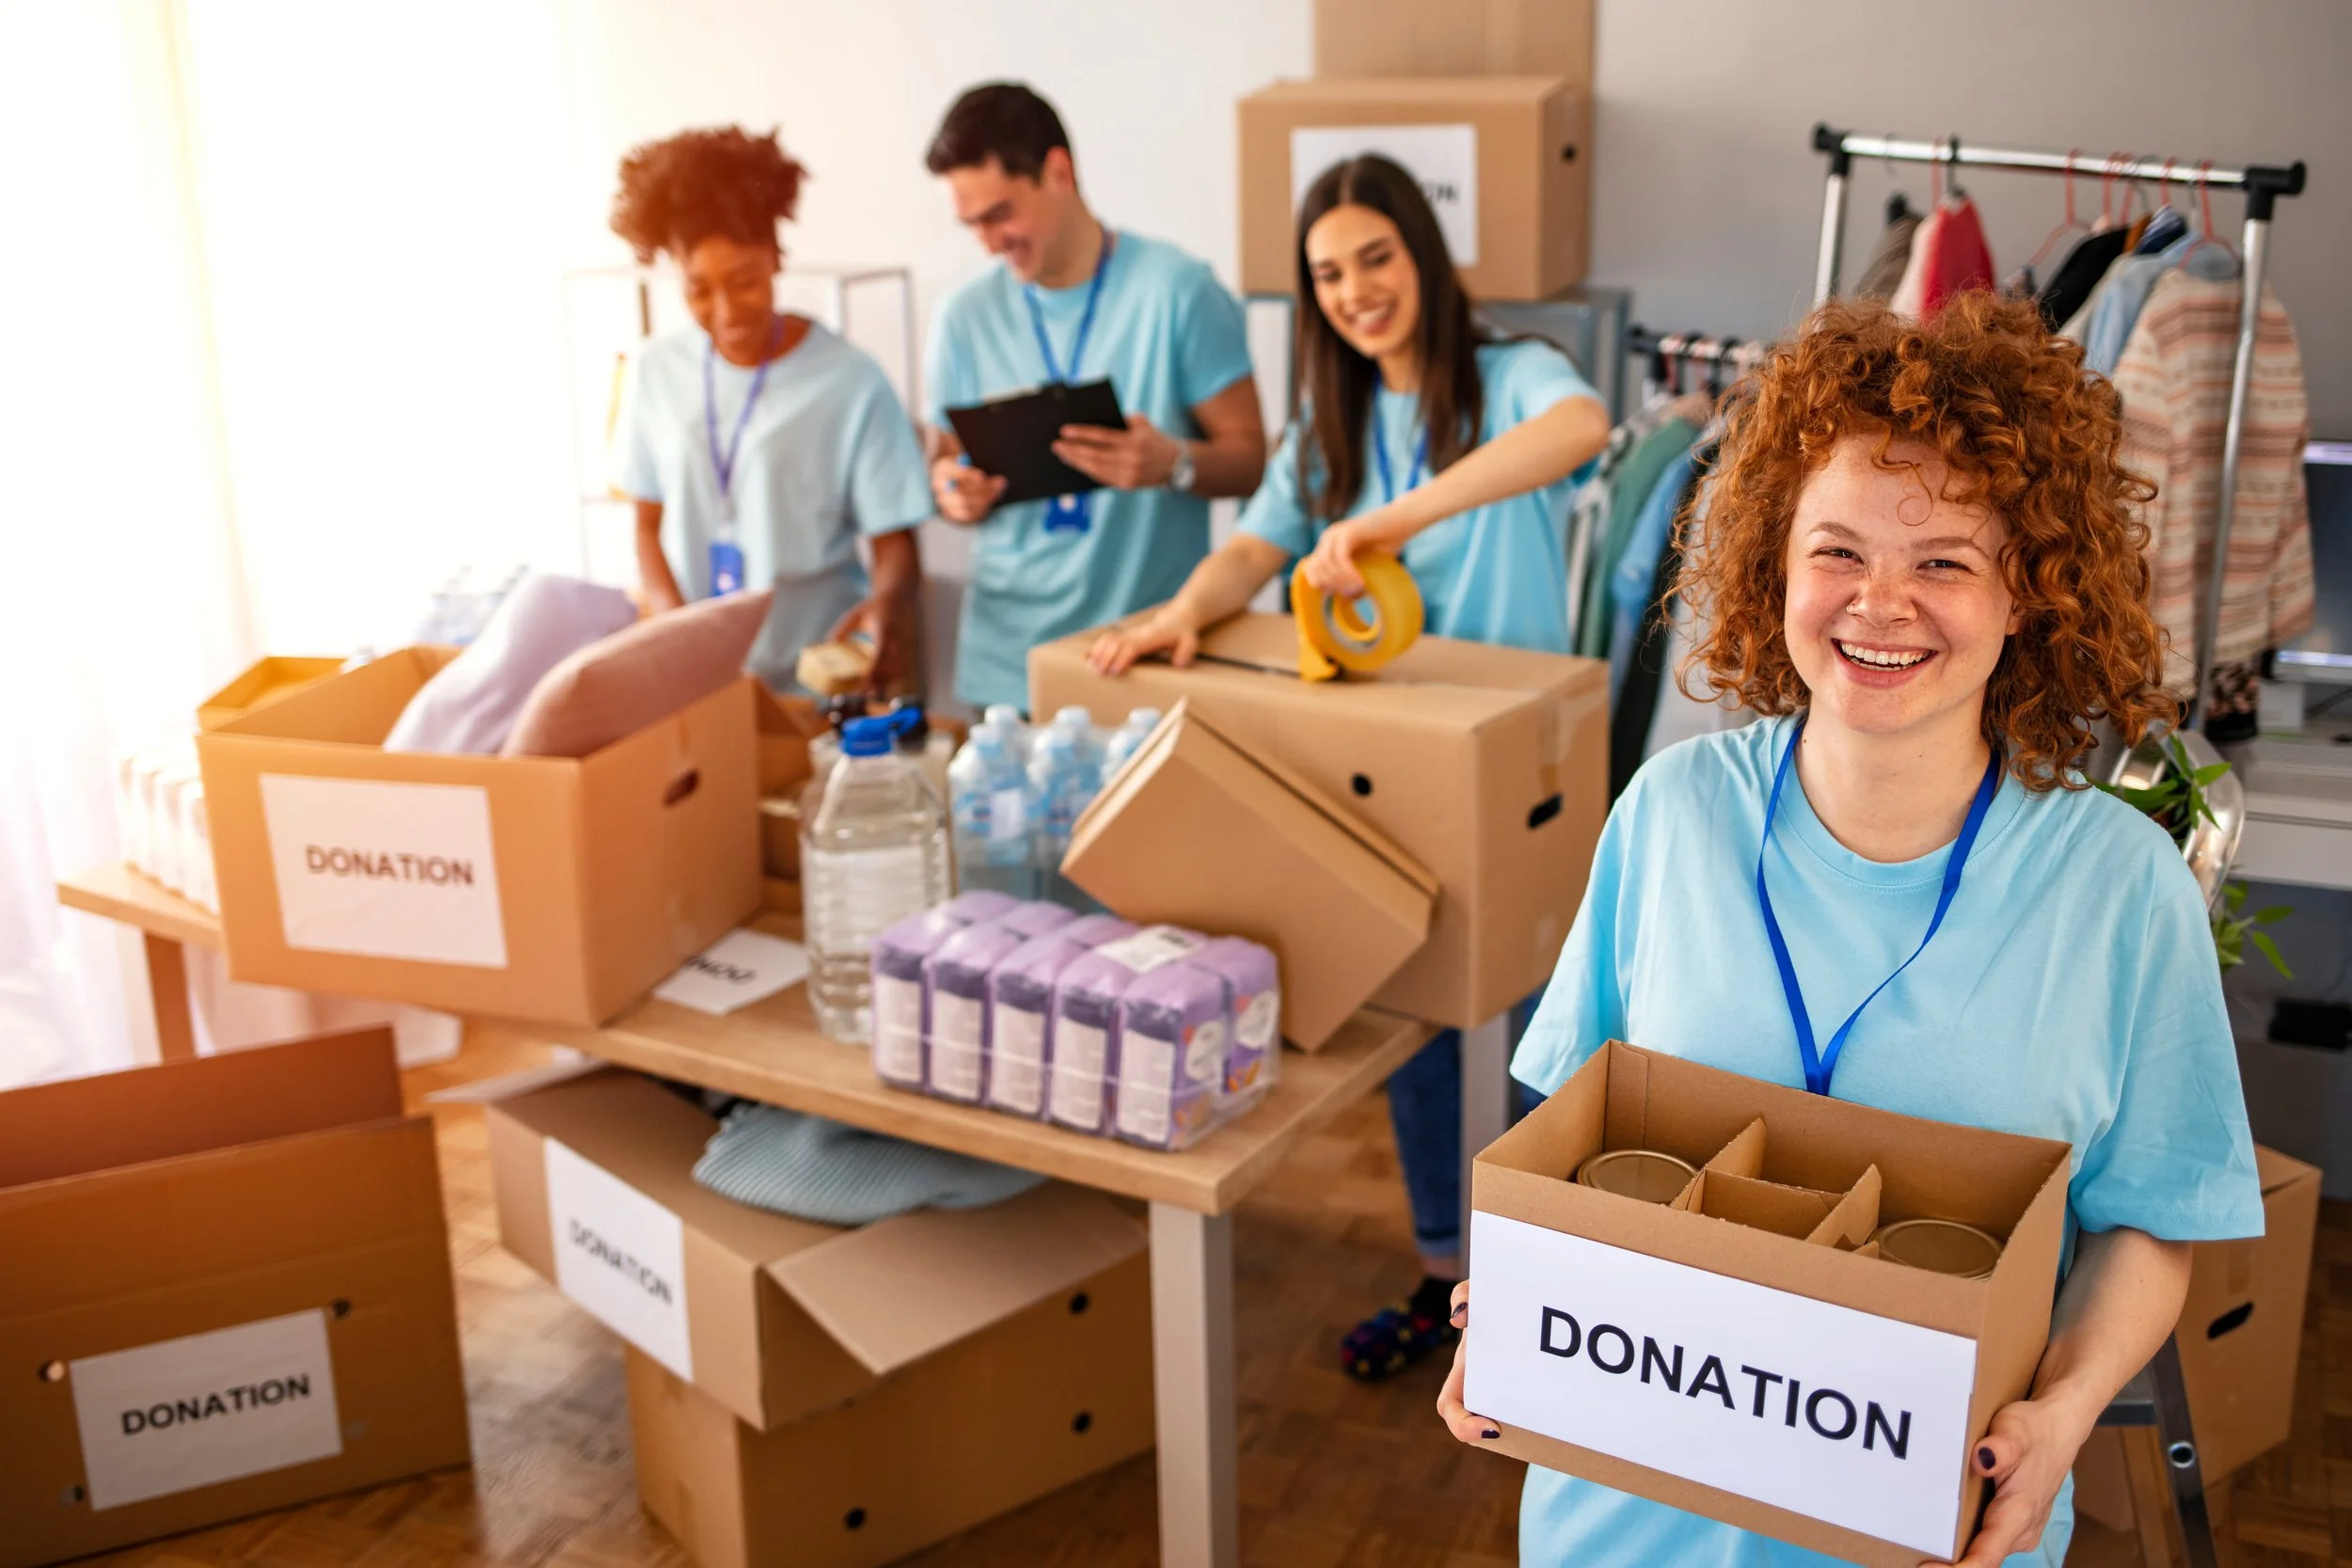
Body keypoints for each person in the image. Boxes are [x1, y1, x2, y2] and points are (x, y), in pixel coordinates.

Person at [1435, 293, 2264, 1568]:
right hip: (1623, 1521)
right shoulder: (1670, 815)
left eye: (1944, 561)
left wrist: (2067, 1408)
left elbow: (2154, 1221)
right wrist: (1507, 1305)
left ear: (2030, 594)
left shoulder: (2117, 889)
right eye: (1838, 551)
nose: (1881, 603)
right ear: (1774, 560)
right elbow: (1564, 1145)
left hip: (1924, 1528)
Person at [1090, 154, 1611, 1380]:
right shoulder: (1327, 420)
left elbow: (1583, 428)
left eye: (1376, 256)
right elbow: (1253, 547)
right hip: (1384, 766)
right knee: (1424, 1027)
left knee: (1538, 1035)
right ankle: (1451, 1280)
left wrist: (1398, 515)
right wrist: (1185, 608)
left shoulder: (1513, 373)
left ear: (1422, 254)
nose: (1356, 289)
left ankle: (1554, 1307)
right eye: (1328, 273)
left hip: (1514, 773)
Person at [922, 83, 1267, 711]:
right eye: (970, 224)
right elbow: (942, 466)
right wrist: (951, 491)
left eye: (1000, 215)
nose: (988, 243)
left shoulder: (1178, 292)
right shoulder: (961, 318)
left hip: (1143, 653)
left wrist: (1174, 464)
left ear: (1059, 172)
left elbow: (1252, 462)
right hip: (1007, 668)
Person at [611, 125, 930, 696]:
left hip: (815, 677)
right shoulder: (654, 370)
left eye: (745, 281)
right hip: (699, 679)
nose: (727, 311)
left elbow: (895, 544)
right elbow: (645, 522)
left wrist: (885, 606)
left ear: (777, 258)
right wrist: (673, 626)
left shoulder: (851, 381)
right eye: (699, 290)